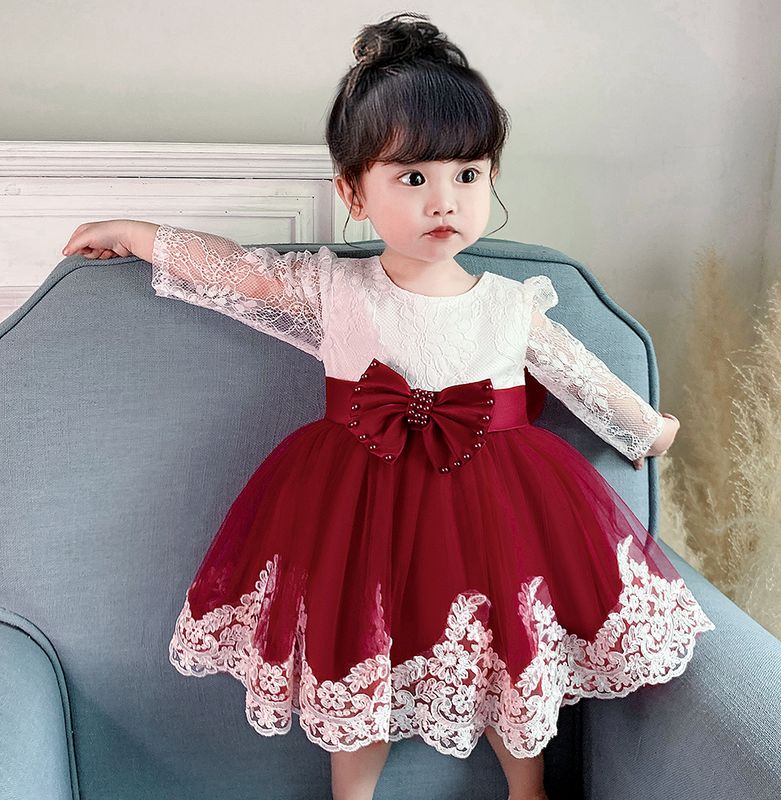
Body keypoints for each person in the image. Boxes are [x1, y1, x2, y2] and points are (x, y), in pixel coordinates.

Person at [61, 11, 714, 800]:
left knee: (504, 644)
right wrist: (139, 235)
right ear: (353, 191)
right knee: (354, 647)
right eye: (412, 178)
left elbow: (581, 374)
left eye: (467, 175)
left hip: (496, 509)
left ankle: (527, 787)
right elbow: (238, 273)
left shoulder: (513, 305)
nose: (444, 201)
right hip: (356, 509)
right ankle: (353, 793)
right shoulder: (335, 288)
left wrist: (647, 428)